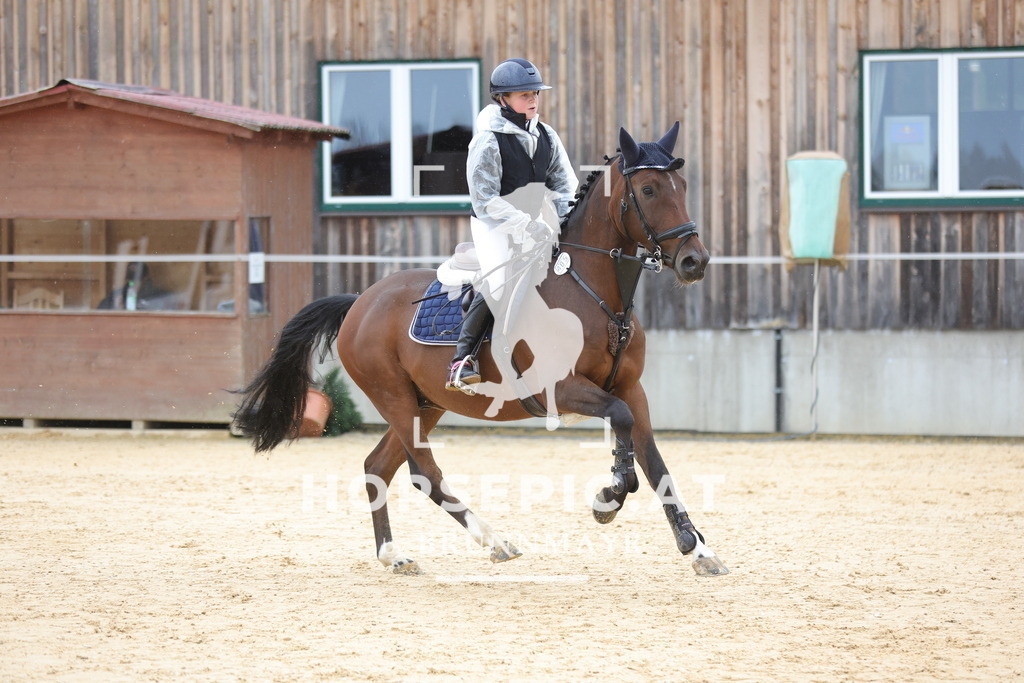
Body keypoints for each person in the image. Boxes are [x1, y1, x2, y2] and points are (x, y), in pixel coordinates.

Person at [445, 58, 579, 393]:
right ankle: (463, 360)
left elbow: (565, 186)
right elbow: (485, 199)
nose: (533, 99)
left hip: (535, 224)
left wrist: (565, 220)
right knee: (500, 282)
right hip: (494, 225)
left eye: (535, 92)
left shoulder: (546, 135)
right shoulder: (488, 139)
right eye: (523, 94)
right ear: (502, 99)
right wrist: (525, 224)